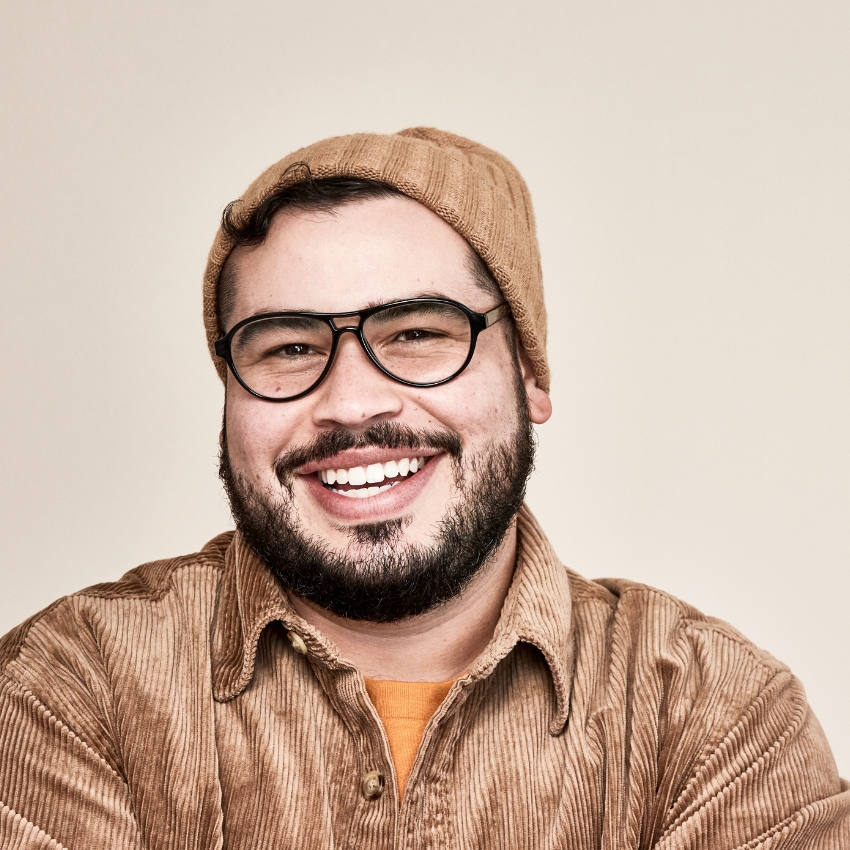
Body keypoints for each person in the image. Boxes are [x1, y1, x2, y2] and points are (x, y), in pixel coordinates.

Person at [0, 128, 846, 849]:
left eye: (414, 333)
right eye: (288, 347)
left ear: (528, 373)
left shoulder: (715, 714)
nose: (351, 402)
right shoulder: (69, 688)